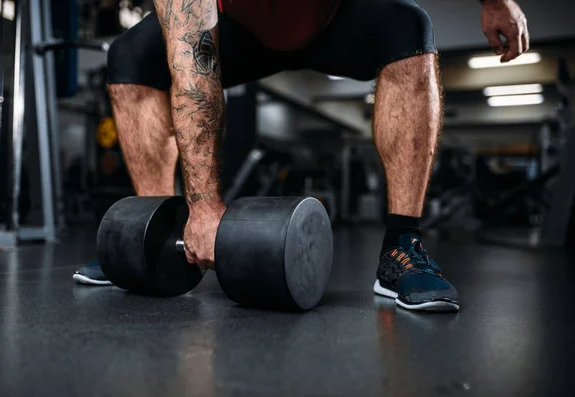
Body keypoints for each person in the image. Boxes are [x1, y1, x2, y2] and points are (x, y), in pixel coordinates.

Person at [74, 0, 530, 312]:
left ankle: (401, 248)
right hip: (239, 27)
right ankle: (152, 238)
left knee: (408, 29)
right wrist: (203, 206)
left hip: (332, 17)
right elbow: (195, 70)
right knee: (131, 57)